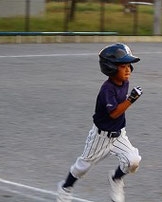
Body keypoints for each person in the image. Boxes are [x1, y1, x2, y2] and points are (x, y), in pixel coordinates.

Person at [56, 43, 143, 202]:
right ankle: (65, 187)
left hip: (118, 135)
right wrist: (131, 99)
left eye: (129, 65)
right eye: (123, 66)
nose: (128, 69)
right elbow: (114, 113)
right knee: (83, 167)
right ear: (111, 68)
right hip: (100, 138)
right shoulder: (107, 89)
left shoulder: (124, 82)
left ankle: (116, 179)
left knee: (133, 160)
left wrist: (129, 99)